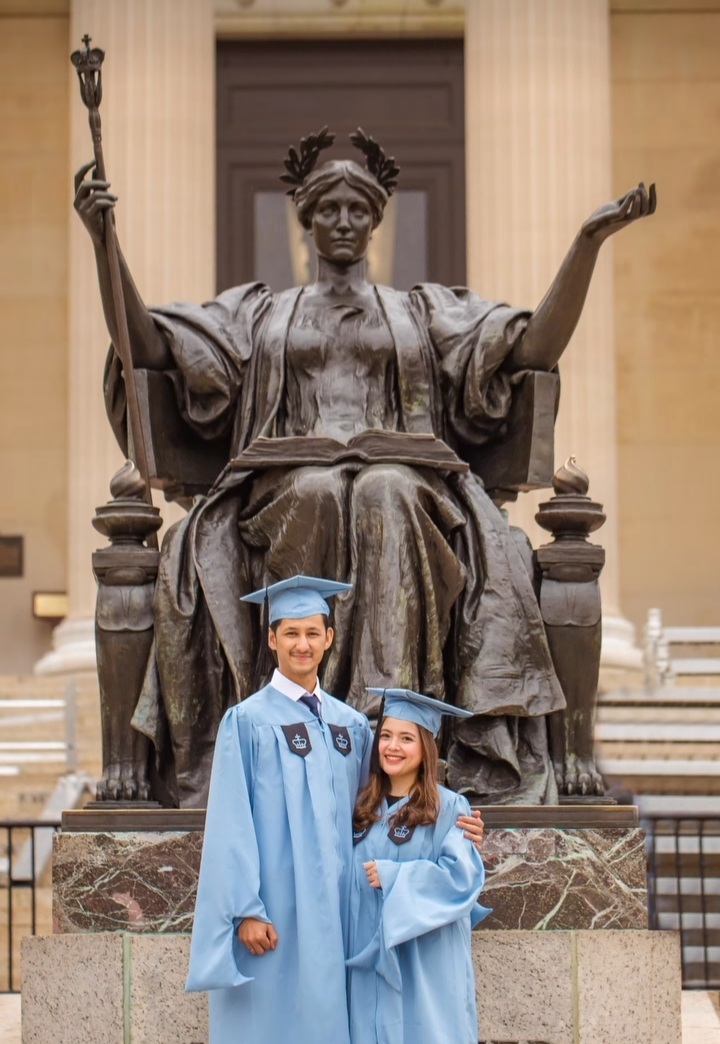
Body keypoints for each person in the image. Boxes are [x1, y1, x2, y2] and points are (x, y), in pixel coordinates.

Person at [74, 128, 656, 806]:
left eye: (358, 209)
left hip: (409, 482)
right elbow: (152, 347)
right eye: (329, 209)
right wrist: (103, 244)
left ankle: (392, 725)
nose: (344, 222)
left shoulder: (422, 312)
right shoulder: (260, 315)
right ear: (306, 219)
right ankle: (306, 720)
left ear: (377, 219)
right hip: (284, 484)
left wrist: (587, 244)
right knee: (319, 491)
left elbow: (530, 348)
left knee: (384, 491)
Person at [185, 575, 484, 1044]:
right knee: (272, 1021)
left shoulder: (351, 726)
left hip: (345, 913)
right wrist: (245, 909)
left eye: (311, 633)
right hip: (278, 910)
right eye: (290, 633)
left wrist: (454, 820)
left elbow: (383, 804)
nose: (301, 644)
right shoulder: (247, 721)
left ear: (328, 639)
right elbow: (229, 824)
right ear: (272, 639)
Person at [347, 687, 490, 1044]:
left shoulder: (451, 807)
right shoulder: (362, 807)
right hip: (366, 961)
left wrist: (397, 877)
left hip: (425, 964)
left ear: (425, 748)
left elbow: (461, 880)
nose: (392, 747)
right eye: (386, 736)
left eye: (407, 738)